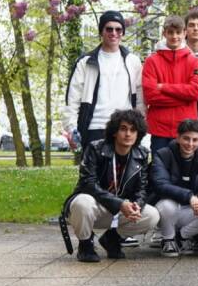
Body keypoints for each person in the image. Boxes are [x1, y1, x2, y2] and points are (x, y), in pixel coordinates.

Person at [63, 109, 160, 262]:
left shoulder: (141, 154)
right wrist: (120, 203)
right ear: (114, 132)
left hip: (120, 210)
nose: (128, 134)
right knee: (83, 202)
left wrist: (136, 206)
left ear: (138, 134)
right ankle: (85, 244)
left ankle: (112, 239)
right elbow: (87, 184)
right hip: (95, 206)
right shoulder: (96, 148)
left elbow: (141, 189)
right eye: (123, 129)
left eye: (133, 130)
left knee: (152, 215)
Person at [64, 11, 144, 149]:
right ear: (101, 31)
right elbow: (73, 99)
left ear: (123, 33)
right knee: (93, 170)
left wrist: (141, 127)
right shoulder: (86, 62)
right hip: (94, 127)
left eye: (118, 29)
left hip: (125, 128)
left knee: (124, 171)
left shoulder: (133, 61)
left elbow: (140, 98)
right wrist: (71, 128)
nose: (114, 33)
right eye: (109, 29)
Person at [149, 119, 198, 257]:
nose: (190, 144)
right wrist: (189, 197)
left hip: (190, 210)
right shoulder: (163, 154)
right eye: (186, 139)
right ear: (177, 137)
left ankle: (182, 237)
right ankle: (168, 239)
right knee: (167, 205)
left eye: (195, 140)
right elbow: (160, 185)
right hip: (166, 210)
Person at [142, 15, 198, 154]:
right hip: (160, 129)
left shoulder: (195, 61)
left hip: (186, 129)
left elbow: (195, 93)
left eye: (178, 32)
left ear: (184, 33)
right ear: (164, 33)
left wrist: (163, 87)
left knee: (185, 173)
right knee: (159, 171)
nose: (174, 36)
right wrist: (183, 98)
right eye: (170, 32)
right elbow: (150, 96)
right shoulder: (152, 61)